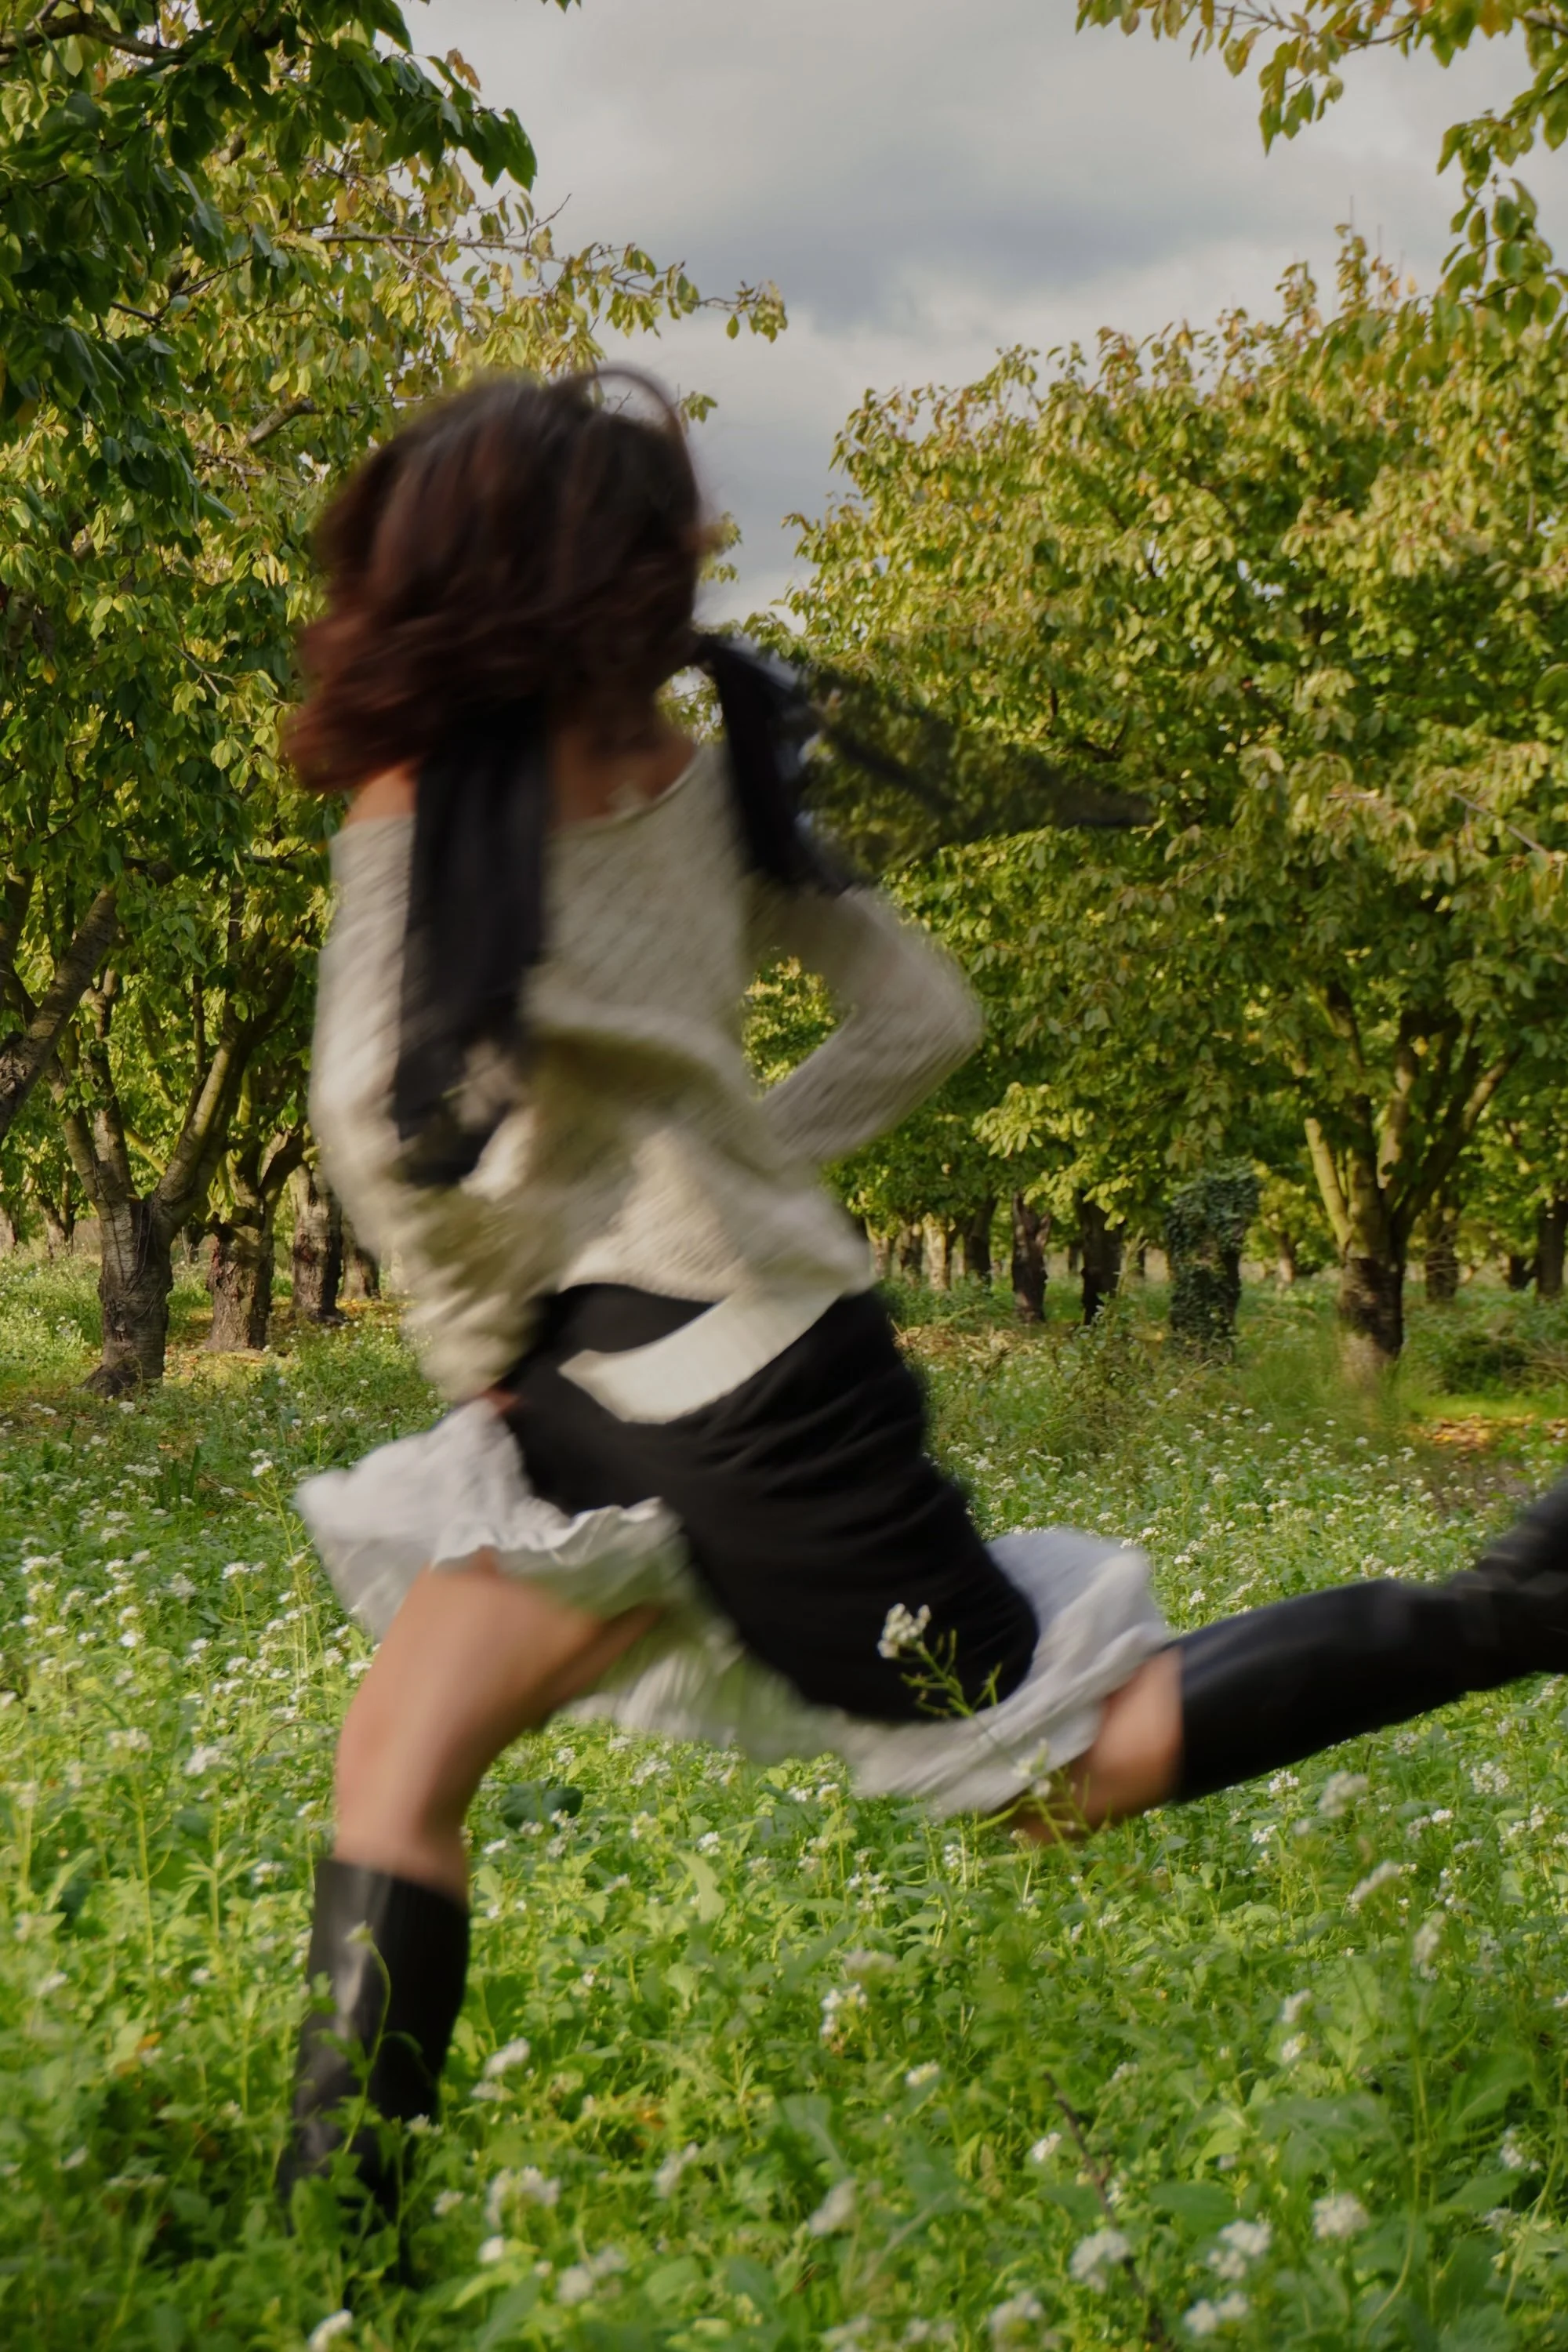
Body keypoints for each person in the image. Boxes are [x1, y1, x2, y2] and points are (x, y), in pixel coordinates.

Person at [282, 366, 1568, 2223]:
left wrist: (495, 1338)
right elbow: (923, 1020)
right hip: (733, 1358)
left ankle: (1515, 1607)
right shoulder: (707, 778)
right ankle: (333, 2265)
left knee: (1060, 1769)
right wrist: (749, 1172)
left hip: (694, 1396)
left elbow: (371, 1119)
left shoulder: (427, 792)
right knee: (399, 1751)